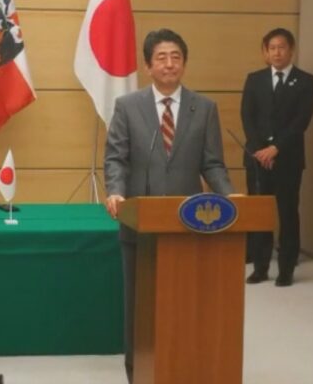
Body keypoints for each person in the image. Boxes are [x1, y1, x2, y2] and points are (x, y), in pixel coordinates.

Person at [104, 29, 234, 383]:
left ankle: (184, 369)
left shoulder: (204, 108)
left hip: (189, 227)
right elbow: (117, 158)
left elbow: (213, 164)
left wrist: (231, 197)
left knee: (185, 302)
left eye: (176, 56)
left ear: (185, 63)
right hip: (138, 224)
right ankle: (137, 374)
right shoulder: (128, 107)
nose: (169, 63)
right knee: (139, 308)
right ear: (148, 65)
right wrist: (115, 191)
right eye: (161, 57)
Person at [240, 28, 313, 287]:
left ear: (291, 49)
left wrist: (276, 149)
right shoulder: (254, 79)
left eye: (281, 47)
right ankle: (260, 267)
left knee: (287, 213)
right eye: (271, 48)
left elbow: (301, 121)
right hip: (257, 159)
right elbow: (247, 118)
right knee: (259, 214)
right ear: (265, 52)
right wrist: (261, 150)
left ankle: (286, 269)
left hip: (288, 159)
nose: (276, 52)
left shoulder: (306, 81)